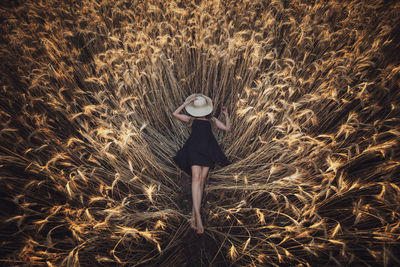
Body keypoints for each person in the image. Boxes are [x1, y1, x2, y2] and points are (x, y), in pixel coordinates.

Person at [172, 93, 231, 234]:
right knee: (196, 179)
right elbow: (175, 113)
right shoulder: (191, 119)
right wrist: (186, 103)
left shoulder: (212, 120)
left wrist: (226, 114)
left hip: (208, 152)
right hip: (194, 151)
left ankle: (193, 217)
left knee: (202, 180)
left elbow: (227, 128)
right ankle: (198, 218)